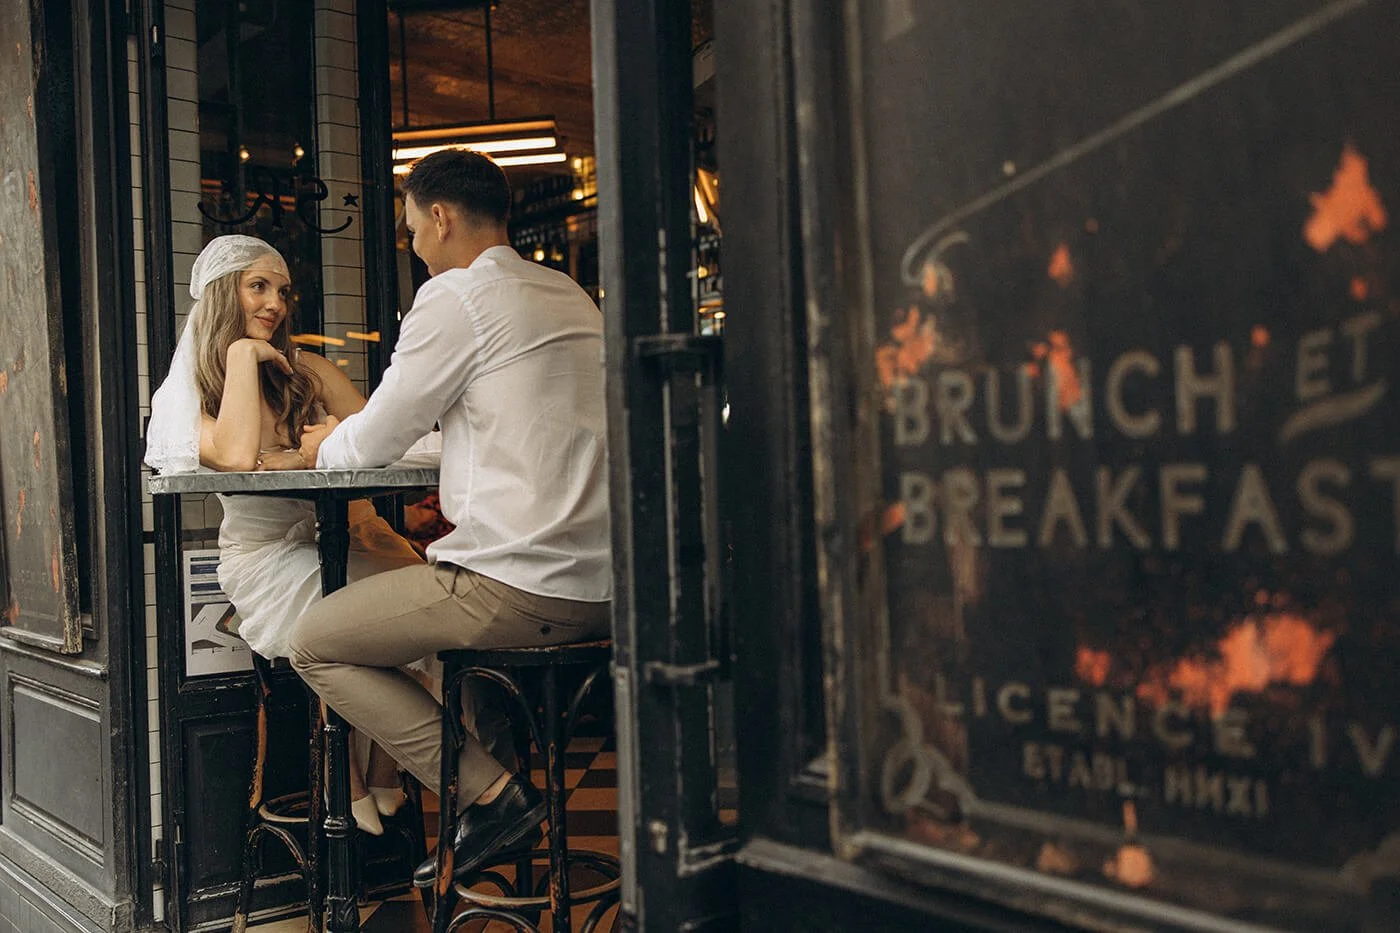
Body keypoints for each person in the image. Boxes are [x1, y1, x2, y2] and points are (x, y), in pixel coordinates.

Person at [286, 149, 612, 885]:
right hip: (600, 591)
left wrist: (322, 444)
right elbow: (501, 423)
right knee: (442, 650)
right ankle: (505, 794)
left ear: (439, 218)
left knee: (315, 641)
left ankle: (491, 794)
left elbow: (371, 440)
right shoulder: (566, 293)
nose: (414, 248)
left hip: (518, 586)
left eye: (410, 230)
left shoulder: (455, 296)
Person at [144, 234, 431, 836]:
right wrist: (243, 358)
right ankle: (345, 778)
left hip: (354, 534)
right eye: (258, 287)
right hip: (270, 556)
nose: (275, 303)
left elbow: (384, 446)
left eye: (281, 290)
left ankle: (381, 763)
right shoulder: (189, 394)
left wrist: (310, 454)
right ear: (225, 295)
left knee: (424, 602)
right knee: (351, 617)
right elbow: (236, 451)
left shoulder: (310, 371)